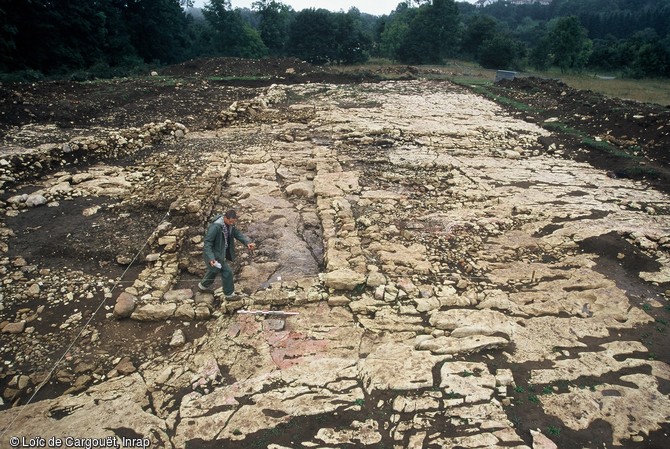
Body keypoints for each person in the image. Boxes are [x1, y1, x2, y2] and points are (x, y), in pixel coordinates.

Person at [198, 209, 256, 300]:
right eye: (230, 221)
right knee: (227, 271)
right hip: (214, 253)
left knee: (215, 269)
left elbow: (237, 233)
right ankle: (229, 294)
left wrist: (247, 243)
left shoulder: (230, 225)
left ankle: (202, 286)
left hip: (220, 252)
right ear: (225, 218)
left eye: (233, 222)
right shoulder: (215, 227)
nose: (232, 223)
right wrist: (211, 258)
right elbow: (207, 243)